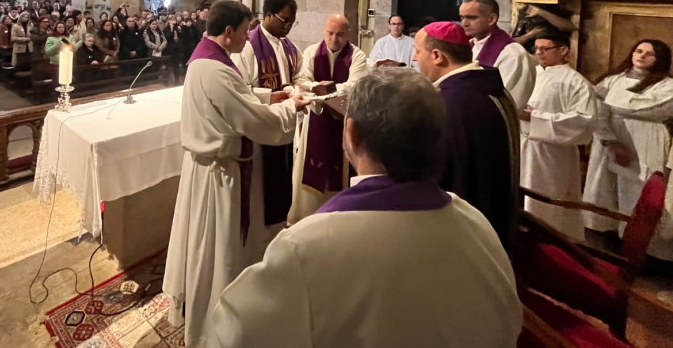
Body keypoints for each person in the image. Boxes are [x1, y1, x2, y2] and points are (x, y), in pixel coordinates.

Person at [209, 69, 522, 348]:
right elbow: (509, 322)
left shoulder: (307, 247)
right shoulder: (477, 225)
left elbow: (233, 334)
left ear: (352, 133)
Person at [164, 0, 309, 348]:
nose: (248, 38)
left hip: (208, 172)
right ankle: (212, 324)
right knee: (219, 252)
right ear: (228, 32)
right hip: (221, 179)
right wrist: (291, 106)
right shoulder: (216, 70)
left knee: (206, 246)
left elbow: (240, 96)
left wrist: (272, 95)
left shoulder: (206, 61)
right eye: (245, 31)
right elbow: (254, 122)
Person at [414, 21, 518, 248]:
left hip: (462, 235)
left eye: (417, 51)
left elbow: (440, 176)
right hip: (492, 216)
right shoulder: (489, 87)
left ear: (437, 56)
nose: (414, 58)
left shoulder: (450, 104)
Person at [583, 39, 673, 260]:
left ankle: (642, 251)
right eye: (638, 50)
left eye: (649, 54)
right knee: (603, 190)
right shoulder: (612, 80)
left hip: (645, 140)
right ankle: (605, 242)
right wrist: (609, 140)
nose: (641, 56)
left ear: (660, 59)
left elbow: (645, 108)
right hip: (609, 138)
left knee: (638, 193)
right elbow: (595, 110)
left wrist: (610, 104)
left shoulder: (667, 85)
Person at [232, 0, 302, 229]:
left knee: (283, 178)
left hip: (285, 121)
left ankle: (280, 224)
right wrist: (271, 97)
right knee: (263, 187)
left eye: (293, 21)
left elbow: (298, 75)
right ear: (269, 15)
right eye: (285, 20)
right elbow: (240, 91)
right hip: (261, 126)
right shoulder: (248, 46)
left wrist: (300, 88)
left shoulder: (288, 46)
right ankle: (262, 232)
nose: (289, 26)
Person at [289, 14, 368, 223]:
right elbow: (302, 80)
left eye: (340, 34)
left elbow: (355, 85)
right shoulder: (312, 52)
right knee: (310, 164)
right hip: (315, 118)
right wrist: (317, 88)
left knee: (340, 168)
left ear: (348, 34)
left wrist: (326, 88)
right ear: (324, 31)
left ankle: (337, 217)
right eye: (330, 33)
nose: (334, 38)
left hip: (342, 121)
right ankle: (305, 217)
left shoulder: (357, 56)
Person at [520, 32, 596, 240]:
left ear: (563, 50)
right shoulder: (530, 73)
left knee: (547, 201)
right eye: (536, 48)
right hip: (522, 145)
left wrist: (534, 117)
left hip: (552, 152)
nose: (539, 53)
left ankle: (549, 244)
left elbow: (583, 121)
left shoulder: (576, 82)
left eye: (545, 48)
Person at [460, 0, 536, 110]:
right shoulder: (468, 46)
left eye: (471, 18)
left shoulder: (512, 54)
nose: (464, 23)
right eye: (462, 18)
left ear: (491, 19)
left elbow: (506, 101)